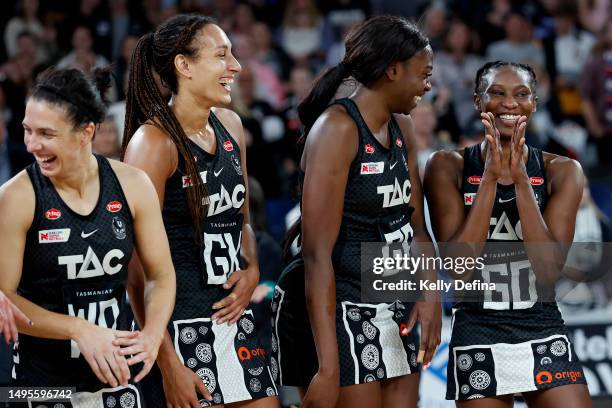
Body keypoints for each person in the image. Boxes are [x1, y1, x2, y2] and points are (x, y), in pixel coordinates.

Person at [271, 15, 441, 408]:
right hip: (343, 307)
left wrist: (430, 295)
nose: (428, 85)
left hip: (397, 296)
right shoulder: (338, 130)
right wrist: (328, 367)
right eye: (423, 74)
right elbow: (315, 256)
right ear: (393, 71)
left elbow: (417, 228)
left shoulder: (404, 127)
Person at [122, 14, 279, 408]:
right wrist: (168, 363)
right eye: (222, 56)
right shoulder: (153, 143)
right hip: (178, 328)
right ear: (184, 65)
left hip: (234, 318)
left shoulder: (231, 125)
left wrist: (253, 265)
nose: (236, 66)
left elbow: (242, 216)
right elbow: (135, 272)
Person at [0, 67, 176, 405]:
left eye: (46, 134)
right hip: (42, 384)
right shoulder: (16, 196)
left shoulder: (132, 184)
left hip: (117, 380)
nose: (32, 145)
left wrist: (153, 333)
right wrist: (78, 328)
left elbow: (161, 275)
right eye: (27, 130)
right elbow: (5, 300)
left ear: (86, 133)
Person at [424, 61, 591, 406]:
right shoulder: (447, 166)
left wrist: (520, 182)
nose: (509, 103)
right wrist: (489, 178)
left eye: (521, 94)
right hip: (477, 325)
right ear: (477, 101)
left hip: (540, 322)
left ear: (534, 103)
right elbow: (458, 269)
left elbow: (548, 271)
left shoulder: (563, 171)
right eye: (496, 93)